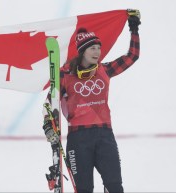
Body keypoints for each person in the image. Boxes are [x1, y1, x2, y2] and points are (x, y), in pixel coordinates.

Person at [42, 9, 141, 193]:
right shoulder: (65, 74)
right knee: (84, 189)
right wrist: (48, 125)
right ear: (82, 51)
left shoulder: (104, 70)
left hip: (104, 136)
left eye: (98, 47)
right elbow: (49, 104)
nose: (97, 51)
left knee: (115, 187)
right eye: (92, 48)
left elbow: (132, 56)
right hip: (78, 139)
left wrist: (133, 28)